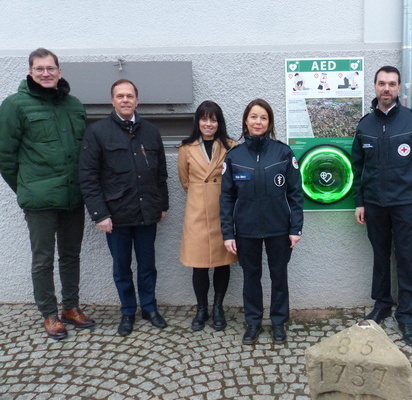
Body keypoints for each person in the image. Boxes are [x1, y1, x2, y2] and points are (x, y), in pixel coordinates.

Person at [0, 48, 95, 340]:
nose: (45, 73)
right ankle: (49, 313)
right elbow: (5, 156)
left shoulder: (74, 105)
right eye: (39, 68)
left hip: (72, 196)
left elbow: (84, 152)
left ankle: (71, 307)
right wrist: (26, 188)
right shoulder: (16, 105)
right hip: (39, 200)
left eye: (50, 68)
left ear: (59, 71)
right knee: (43, 258)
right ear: (30, 71)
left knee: (71, 255)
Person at [351, 66, 412, 345]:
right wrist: (360, 201)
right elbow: (358, 167)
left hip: (407, 206)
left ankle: (407, 315)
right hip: (375, 205)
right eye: (382, 83)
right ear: (374, 87)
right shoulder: (364, 125)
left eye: (392, 84)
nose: (386, 88)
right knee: (379, 256)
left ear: (399, 88)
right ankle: (382, 303)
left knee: (407, 260)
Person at [79, 79, 169, 336]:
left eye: (130, 96)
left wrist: (162, 205)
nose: (125, 100)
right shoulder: (97, 133)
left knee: (148, 264)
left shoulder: (150, 131)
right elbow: (88, 177)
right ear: (113, 100)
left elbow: (161, 174)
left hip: (146, 213)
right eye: (120, 96)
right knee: (121, 267)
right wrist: (99, 214)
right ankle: (128, 311)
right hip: (115, 216)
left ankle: (149, 308)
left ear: (137, 100)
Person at [220, 98, 303, 345]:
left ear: (269, 122)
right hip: (246, 230)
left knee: (279, 276)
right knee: (251, 278)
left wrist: (295, 227)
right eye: (254, 117)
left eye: (263, 117)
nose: (258, 122)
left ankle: (278, 322)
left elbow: (295, 194)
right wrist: (228, 233)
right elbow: (226, 197)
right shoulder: (234, 156)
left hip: (279, 228)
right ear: (246, 121)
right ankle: (253, 322)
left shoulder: (283, 153)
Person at [178, 101, 237, 332]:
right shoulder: (186, 148)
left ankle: (219, 306)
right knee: (199, 265)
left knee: (223, 263)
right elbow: (185, 181)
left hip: (222, 213)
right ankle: (202, 308)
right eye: (204, 119)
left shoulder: (230, 146)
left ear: (219, 122)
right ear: (198, 121)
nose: (208, 124)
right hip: (196, 214)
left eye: (213, 119)